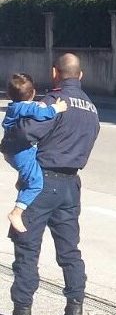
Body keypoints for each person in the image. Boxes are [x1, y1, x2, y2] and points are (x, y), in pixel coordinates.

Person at [0, 53, 100, 315]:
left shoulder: (53, 101)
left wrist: (9, 140)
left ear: (55, 72)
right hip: (71, 185)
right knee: (69, 251)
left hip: (43, 183)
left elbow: (26, 132)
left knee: (26, 249)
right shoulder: (91, 108)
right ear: (80, 75)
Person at [2, 73, 68, 233]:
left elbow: (33, 109)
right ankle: (16, 212)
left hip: (13, 151)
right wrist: (57, 108)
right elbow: (41, 113)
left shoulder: (15, 107)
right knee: (36, 183)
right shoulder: (26, 107)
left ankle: (22, 181)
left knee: (29, 167)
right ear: (33, 93)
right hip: (20, 152)